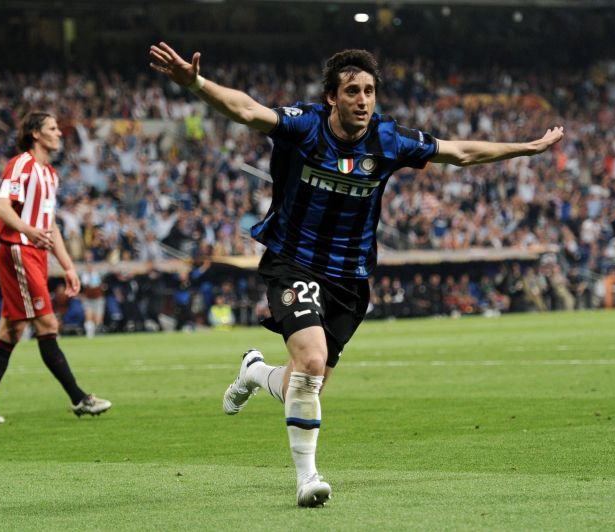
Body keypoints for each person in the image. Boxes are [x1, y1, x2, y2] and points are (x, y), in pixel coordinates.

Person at [149, 42, 564, 507]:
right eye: (352, 91)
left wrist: (525, 149)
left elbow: (460, 152)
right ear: (332, 97)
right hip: (294, 261)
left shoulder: (389, 140)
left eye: (369, 90)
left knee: (301, 384)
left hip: (350, 278)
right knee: (308, 363)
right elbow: (247, 110)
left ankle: (253, 372)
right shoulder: (304, 127)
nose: (363, 100)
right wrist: (195, 83)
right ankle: (308, 479)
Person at [0, 111, 111, 424]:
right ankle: (79, 398)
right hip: (19, 250)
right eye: (53, 128)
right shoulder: (22, 164)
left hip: (35, 253)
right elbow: (1, 207)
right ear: (35, 133)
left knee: (12, 329)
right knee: (47, 325)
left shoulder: (50, 175)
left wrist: (69, 267)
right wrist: (28, 231)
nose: (59, 133)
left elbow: (50, 226)